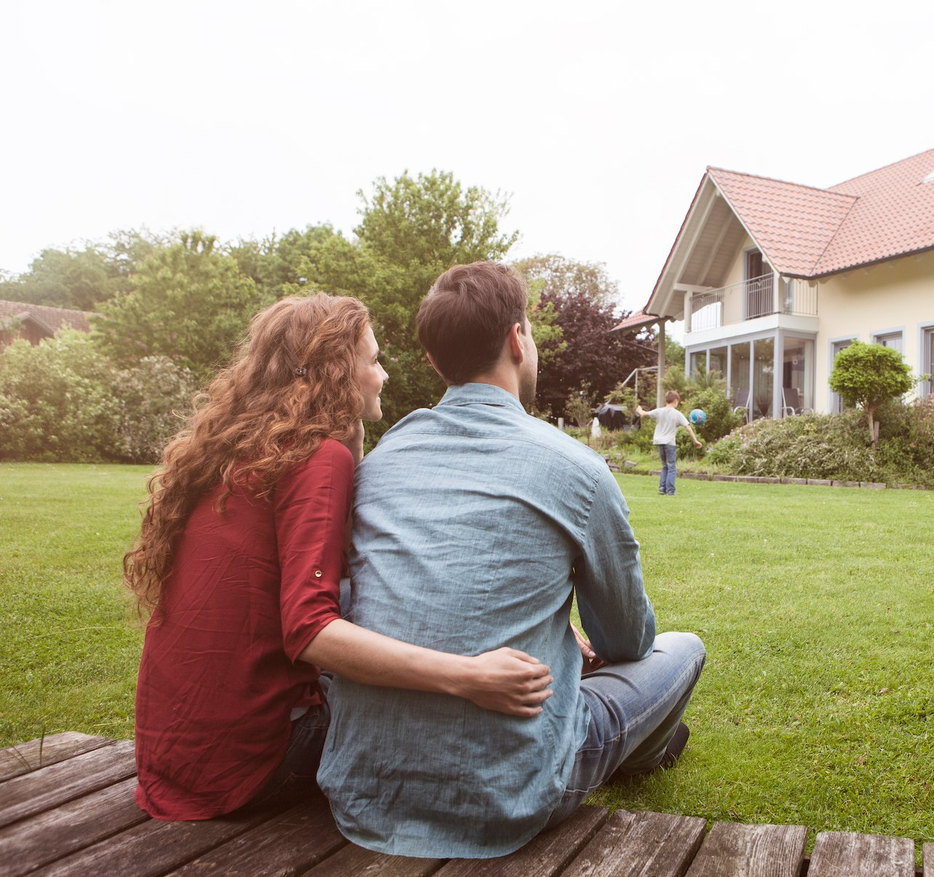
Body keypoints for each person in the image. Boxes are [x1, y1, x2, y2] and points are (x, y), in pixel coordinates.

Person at [318, 262, 706, 859]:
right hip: (515, 792)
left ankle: (646, 740)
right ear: (517, 338)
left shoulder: (384, 457)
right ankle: (647, 750)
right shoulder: (576, 468)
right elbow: (627, 641)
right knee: (682, 649)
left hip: (363, 791)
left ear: (432, 360)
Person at [127, 293, 553, 821]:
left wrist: (352, 445)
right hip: (253, 764)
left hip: (174, 758)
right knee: (426, 702)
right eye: (373, 361)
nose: (384, 376)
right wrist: (467, 675)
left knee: (364, 598)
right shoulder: (315, 457)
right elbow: (309, 631)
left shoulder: (241, 450)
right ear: (336, 373)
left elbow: (349, 567)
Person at [636, 391, 702, 496]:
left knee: (664, 466)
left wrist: (639, 410)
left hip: (659, 442)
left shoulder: (659, 411)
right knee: (671, 467)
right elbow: (688, 428)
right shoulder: (677, 414)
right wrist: (695, 441)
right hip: (669, 443)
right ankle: (671, 491)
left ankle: (662, 488)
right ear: (676, 401)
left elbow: (644, 414)